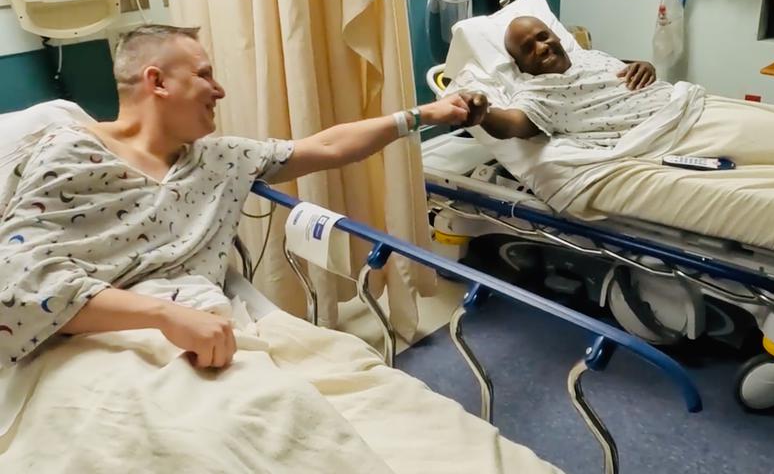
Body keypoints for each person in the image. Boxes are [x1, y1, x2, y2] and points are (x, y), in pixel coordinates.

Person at [0, 24, 486, 369]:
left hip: (204, 339)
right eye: (205, 75)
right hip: (88, 344)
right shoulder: (72, 149)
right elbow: (17, 284)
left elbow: (327, 146)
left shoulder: (219, 159)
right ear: (157, 81)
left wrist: (425, 115)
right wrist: (165, 316)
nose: (221, 90)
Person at [474, 16, 670, 149]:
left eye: (543, 37)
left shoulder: (588, 56)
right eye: (527, 48)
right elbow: (511, 124)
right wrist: (484, 114)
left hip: (684, 101)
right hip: (665, 132)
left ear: (557, 36)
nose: (542, 48)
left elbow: (617, 68)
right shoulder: (537, 91)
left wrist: (645, 65)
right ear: (521, 66)